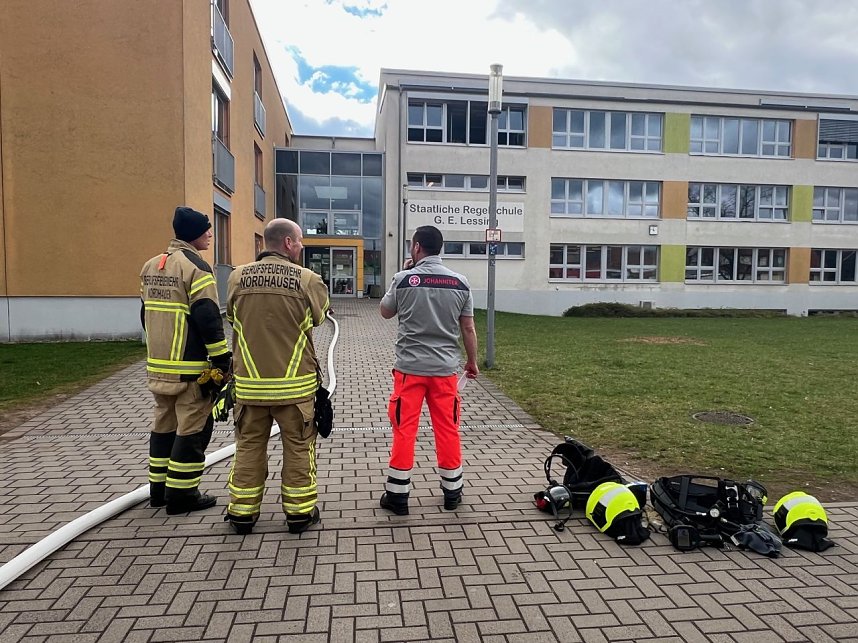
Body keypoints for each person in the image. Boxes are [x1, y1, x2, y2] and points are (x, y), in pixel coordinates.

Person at [224, 218, 330, 535]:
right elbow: (320, 316)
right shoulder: (307, 279)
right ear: (287, 243)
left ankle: (242, 513)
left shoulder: (236, 277)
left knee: (247, 448)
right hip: (294, 389)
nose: (300, 247)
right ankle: (299, 514)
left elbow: (231, 316)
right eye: (298, 242)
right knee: (298, 449)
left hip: (249, 386)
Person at [378, 225, 479, 515]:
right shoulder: (461, 283)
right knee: (448, 429)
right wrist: (471, 362)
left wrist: (402, 276)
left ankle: (397, 497)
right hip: (445, 371)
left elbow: (385, 312)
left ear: (417, 247)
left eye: (412, 245)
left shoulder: (403, 279)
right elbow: (468, 327)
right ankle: (452, 493)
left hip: (409, 370)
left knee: (404, 429)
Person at [140, 206, 231, 515]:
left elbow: (145, 315)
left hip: (159, 367)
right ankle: (182, 496)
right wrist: (222, 358)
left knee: (163, 427)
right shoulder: (196, 268)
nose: (210, 233)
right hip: (189, 370)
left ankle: (158, 491)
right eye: (206, 229)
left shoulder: (153, 266)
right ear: (194, 233)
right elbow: (207, 317)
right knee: (192, 430)